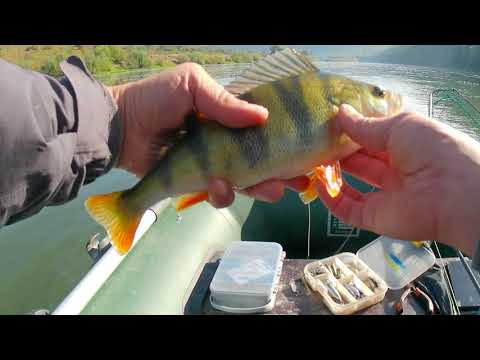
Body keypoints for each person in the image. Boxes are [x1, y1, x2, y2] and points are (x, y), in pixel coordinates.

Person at [0, 56, 479, 260]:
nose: (386, 98)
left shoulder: (340, 137)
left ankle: (130, 202)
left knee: (264, 183)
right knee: (261, 184)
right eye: (377, 94)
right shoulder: (341, 119)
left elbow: (318, 173)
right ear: (348, 104)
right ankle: (129, 205)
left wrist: (116, 121)